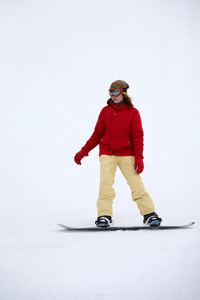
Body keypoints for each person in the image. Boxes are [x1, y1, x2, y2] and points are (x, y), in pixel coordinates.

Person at [74, 80, 162, 228]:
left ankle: (149, 214)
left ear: (124, 93)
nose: (113, 96)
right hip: (107, 152)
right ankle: (104, 216)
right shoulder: (105, 111)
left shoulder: (133, 113)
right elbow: (97, 134)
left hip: (127, 153)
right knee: (106, 184)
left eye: (116, 92)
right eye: (110, 92)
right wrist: (84, 151)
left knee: (136, 184)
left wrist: (139, 157)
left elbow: (137, 136)